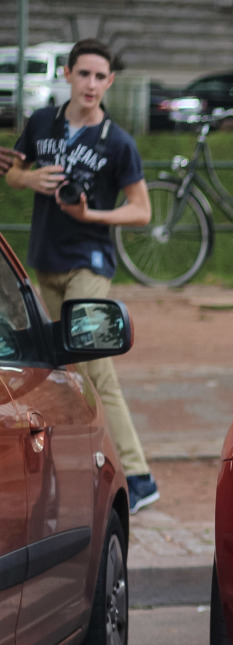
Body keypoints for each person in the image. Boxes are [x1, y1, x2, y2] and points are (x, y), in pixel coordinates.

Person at [5, 39, 159, 514]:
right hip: (44, 259)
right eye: (84, 74)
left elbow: (142, 211)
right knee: (55, 369)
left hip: (90, 261)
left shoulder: (118, 142)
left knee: (94, 363)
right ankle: (60, 474)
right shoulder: (40, 124)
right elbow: (13, 173)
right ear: (68, 74)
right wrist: (29, 180)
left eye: (100, 77)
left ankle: (136, 477)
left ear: (109, 82)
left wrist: (94, 216)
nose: (91, 84)